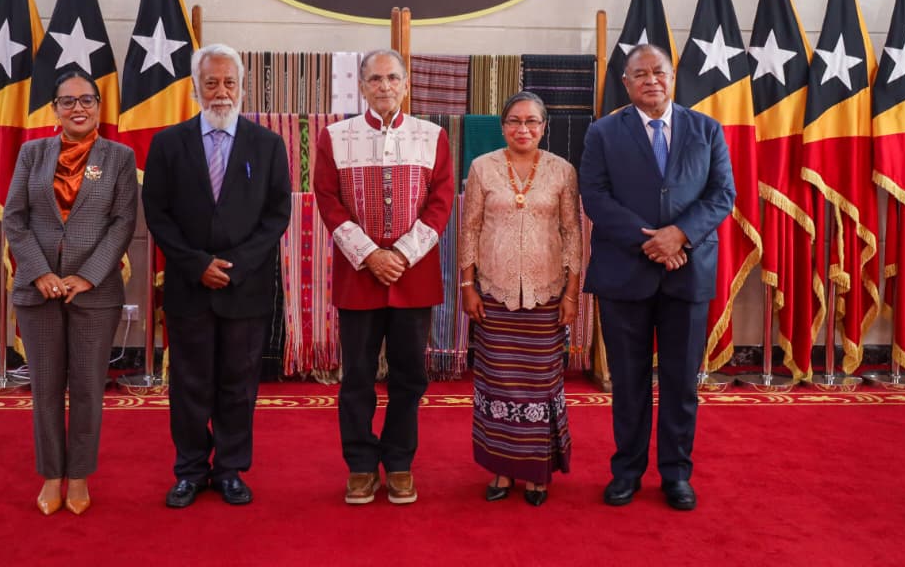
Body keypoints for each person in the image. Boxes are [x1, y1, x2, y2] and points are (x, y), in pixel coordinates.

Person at [579, 44, 735, 511]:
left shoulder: (706, 129)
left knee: (681, 382)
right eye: (640, 74)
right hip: (624, 273)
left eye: (659, 72)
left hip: (688, 272)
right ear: (626, 84)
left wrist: (679, 236)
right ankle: (626, 471)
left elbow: (721, 194)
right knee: (628, 383)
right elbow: (595, 195)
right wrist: (650, 241)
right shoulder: (603, 132)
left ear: (672, 77)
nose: (651, 80)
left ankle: (676, 474)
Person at [142, 43, 291, 508]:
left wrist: (237, 266)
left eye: (229, 82)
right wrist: (196, 264)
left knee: (238, 384)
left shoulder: (268, 145)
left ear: (242, 87)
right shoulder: (168, 143)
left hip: (246, 287)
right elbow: (157, 213)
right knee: (189, 384)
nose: (221, 91)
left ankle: (229, 470)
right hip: (189, 286)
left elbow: (277, 215)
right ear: (195, 88)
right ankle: (190, 470)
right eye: (211, 82)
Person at [312, 48, 454, 505]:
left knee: (409, 376)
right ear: (361, 86)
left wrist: (403, 255)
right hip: (359, 275)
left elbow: (441, 202)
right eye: (375, 79)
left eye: (393, 78)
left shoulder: (432, 136)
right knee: (357, 375)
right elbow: (328, 199)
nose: (384, 86)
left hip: (415, 276)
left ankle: (398, 462)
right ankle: (359, 464)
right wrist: (371, 254)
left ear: (406, 84)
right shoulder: (335, 136)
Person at [4, 69, 138, 516]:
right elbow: (14, 219)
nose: (77, 108)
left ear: (98, 106)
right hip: (37, 291)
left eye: (86, 100)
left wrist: (88, 276)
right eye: (68, 101)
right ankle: (51, 476)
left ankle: (78, 476)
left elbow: (123, 223)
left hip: (94, 294)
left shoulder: (119, 157)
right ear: (54, 109)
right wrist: (40, 272)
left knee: (86, 388)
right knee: (45, 387)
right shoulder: (32, 153)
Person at [458, 91, 582, 507]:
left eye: (531, 121)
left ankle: (536, 472)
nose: (523, 129)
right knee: (498, 383)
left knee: (540, 385)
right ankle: (501, 467)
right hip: (495, 294)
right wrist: (468, 286)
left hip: (547, 295)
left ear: (544, 127)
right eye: (514, 121)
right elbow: (470, 229)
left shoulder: (562, 170)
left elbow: (572, 234)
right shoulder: (482, 167)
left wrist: (571, 294)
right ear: (503, 126)